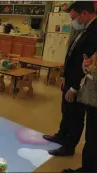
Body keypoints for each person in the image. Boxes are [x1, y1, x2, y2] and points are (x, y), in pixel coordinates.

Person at [43, 1, 97, 157]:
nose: (73, 21)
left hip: (78, 84)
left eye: (74, 17)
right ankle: (61, 135)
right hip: (70, 79)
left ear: (84, 14)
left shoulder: (94, 31)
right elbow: (73, 56)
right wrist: (65, 77)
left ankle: (68, 146)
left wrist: (74, 87)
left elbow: (88, 64)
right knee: (66, 111)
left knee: (75, 115)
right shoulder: (85, 28)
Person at [63, 52, 97, 173]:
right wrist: (87, 65)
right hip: (93, 99)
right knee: (92, 137)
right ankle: (87, 169)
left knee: (93, 138)